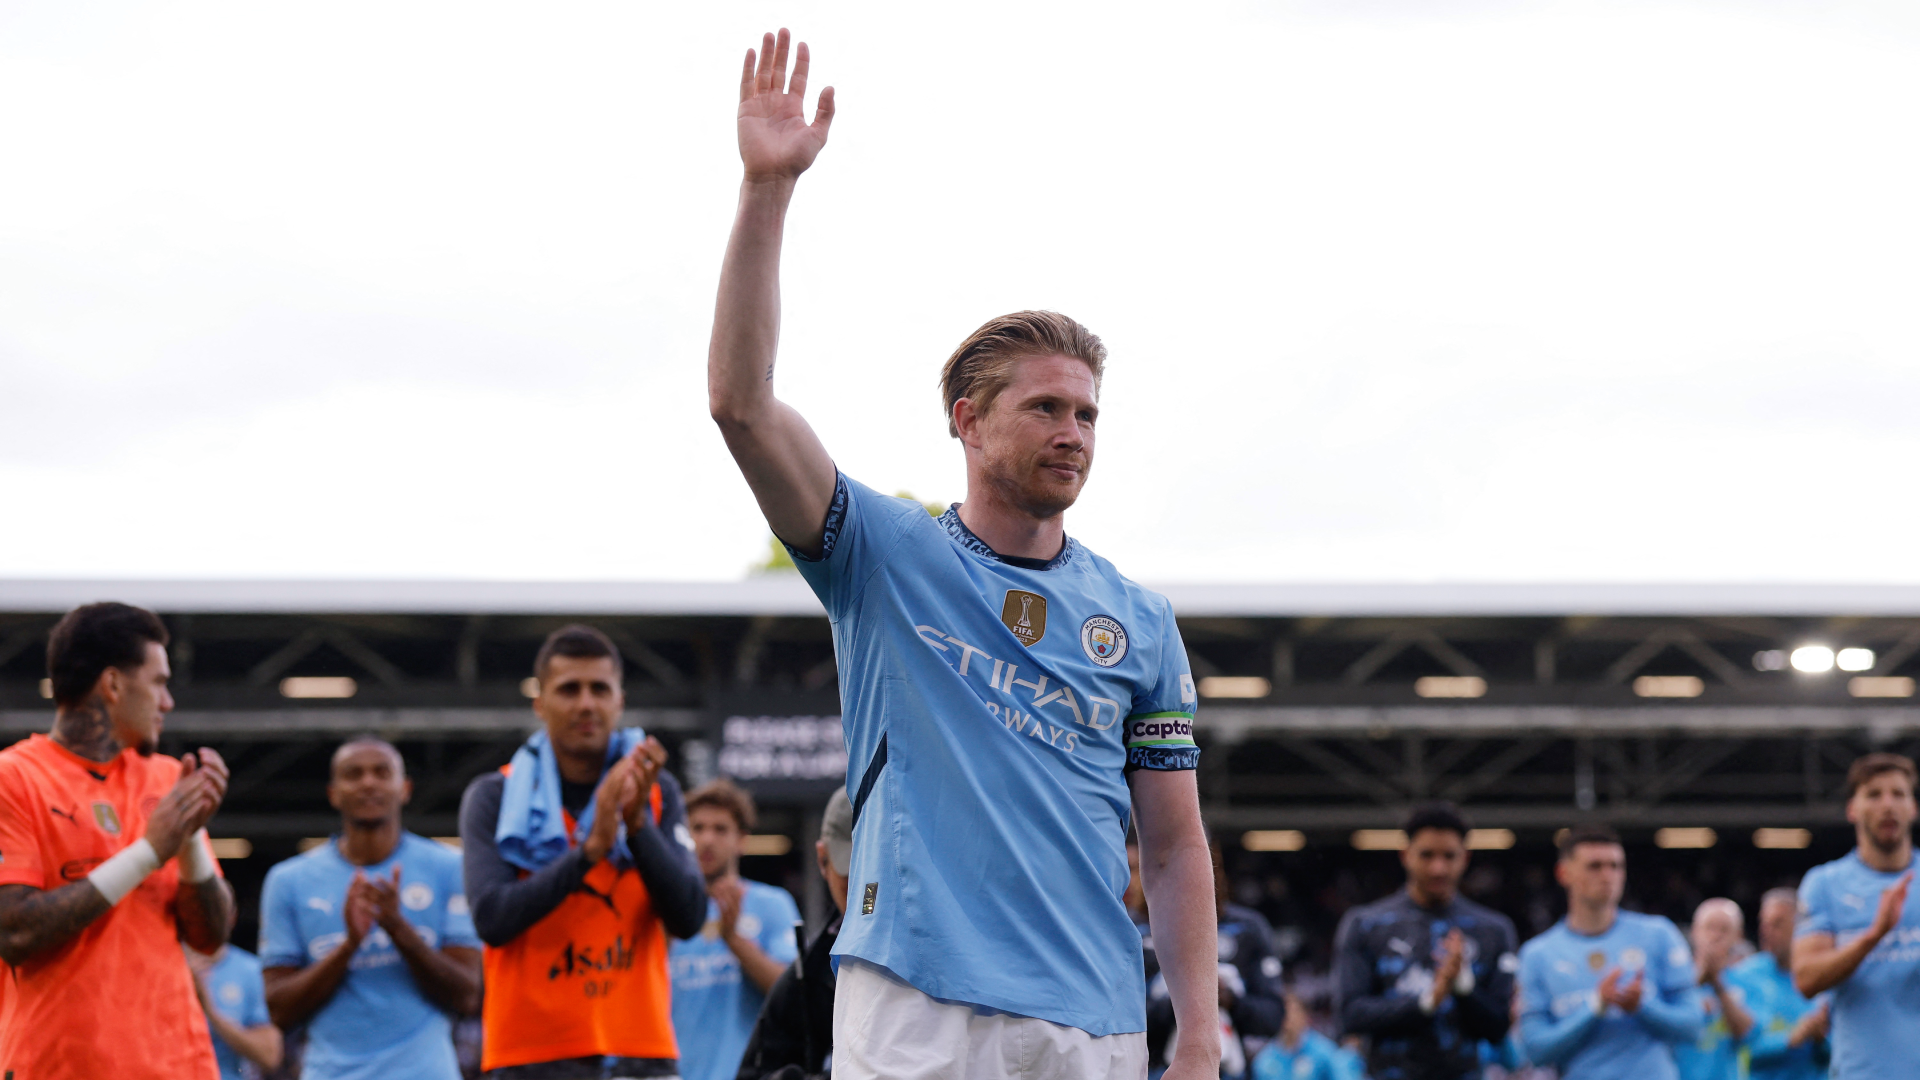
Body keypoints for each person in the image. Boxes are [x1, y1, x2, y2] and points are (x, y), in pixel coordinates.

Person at [707, 28, 1220, 1079]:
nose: (1073, 430)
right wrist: (767, 191)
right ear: (967, 421)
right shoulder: (881, 554)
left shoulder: (1141, 622)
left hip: (1096, 1013)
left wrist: (1200, 1033)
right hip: (913, 995)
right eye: (1044, 407)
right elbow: (742, 406)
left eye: (1086, 412)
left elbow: (1172, 848)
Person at [460, 624, 707, 1079]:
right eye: (569, 689)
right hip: (530, 1057)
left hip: (640, 1053)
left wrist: (636, 826)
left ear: (620, 701)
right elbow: (492, 920)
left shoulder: (657, 790)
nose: (586, 703)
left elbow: (689, 917)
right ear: (540, 703)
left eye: (600, 688)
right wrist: (589, 851)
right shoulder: (495, 795)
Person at [0, 601, 234, 1079]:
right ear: (112, 684)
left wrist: (187, 840)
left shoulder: (169, 779)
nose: (167, 702)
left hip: (179, 1065)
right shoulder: (14, 778)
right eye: (159, 682)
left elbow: (211, 936)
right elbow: (15, 931)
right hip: (60, 1066)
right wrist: (149, 853)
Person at [260, 738, 482, 1080]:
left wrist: (396, 927)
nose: (368, 782)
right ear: (333, 793)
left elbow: (467, 995)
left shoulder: (449, 867)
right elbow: (278, 1011)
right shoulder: (288, 880)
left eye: (382, 772)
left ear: (404, 789)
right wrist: (349, 945)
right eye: (354, 774)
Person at [1333, 803, 1519, 1080]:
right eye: (1427, 855)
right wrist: (1425, 1004)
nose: (1438, 868)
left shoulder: (1494, 930)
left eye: (1449, 856)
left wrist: (1464, 990)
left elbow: (1499, 1028)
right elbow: (1350, 1015)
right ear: (1405, 855)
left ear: (1465, 858)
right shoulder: (1365, 924)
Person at [1517, 824, 1703, 1080]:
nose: (1608, 875)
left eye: (1616, 866)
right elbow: (1535, 1050)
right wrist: (1595, 1007)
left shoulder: (1659, 934)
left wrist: (1642, 1006)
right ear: (1563, 873)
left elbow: (1694, 1027)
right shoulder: (1538, 954)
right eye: (1595, 866)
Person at [1792, 752, 1919, 1080]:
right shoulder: (1824, 884)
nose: (1887, 804)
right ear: (1853, 809)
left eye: (1899, 794)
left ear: (1913, 808)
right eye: (1874, 794)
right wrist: (1874, 935)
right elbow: (1805, 979)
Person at [670, 779, 803, 1080]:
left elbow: (795, 999)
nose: (707, 839)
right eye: (697, 827)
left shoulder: (773, 904)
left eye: (720, 829)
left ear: (741, 840)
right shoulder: (663, 912)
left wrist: (735, 941)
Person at [736, 786, 855, 1080]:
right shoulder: (807, 976)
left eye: (872, 872)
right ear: (822, 860)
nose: (863, 887)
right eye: (849, 871)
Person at [1138, 841, 1286, 1077]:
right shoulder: (1136, 929)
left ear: (1215, 868)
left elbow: (1273, 1018)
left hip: (1228, 1070)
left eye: (1197, 862)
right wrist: (1184, 999)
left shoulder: (1248, 929)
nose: (1188, 875)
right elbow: (1119, 1017)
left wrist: (1230, 1001)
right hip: (1154, 1070)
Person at [1729, 887, 1827, 1080]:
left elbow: (1836, 1052)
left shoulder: (1821, 976)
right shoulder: (1745, 975)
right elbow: (1744, 1045)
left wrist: (1819, 1039)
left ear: (1799, 926)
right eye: (1763, 924)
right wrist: (1792, 1038)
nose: (1766, 932)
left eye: (1777, 924)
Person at [1673, 899, 1753, 1080]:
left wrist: (1717, 984)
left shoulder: (1747, 979)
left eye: (1724, 929)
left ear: (1738, 936)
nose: (1716, 935)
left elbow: (1748, 1034)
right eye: (1709, 927)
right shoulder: (1674, 979)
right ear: (1694, 932)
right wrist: (1699, 978)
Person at [189, 943, 285, 1079]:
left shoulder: (250, 969)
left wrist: (210, 1010)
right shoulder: (165, 964)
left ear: (232, 921)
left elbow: (270, 1056)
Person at [1252, 991, 1346, 1080]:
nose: (1288, 1017)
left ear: (1305, 1016)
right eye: (1284, 1012)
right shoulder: (1264, 1059)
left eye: (1293, 1011)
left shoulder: (1325, 1052)